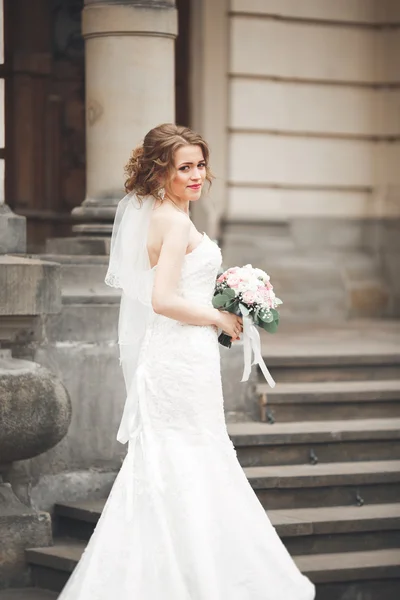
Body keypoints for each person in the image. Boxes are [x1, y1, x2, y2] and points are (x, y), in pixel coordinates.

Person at [57, 123, 315, 599]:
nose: (197, 175)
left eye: (199, 165)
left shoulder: (167, 214)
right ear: (161, 172)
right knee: (187, 456)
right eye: (185, 168)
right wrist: (218, 316)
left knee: (186, 457)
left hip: (182, 354)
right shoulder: (173, 223)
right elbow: (161, 299)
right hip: (178, 356)